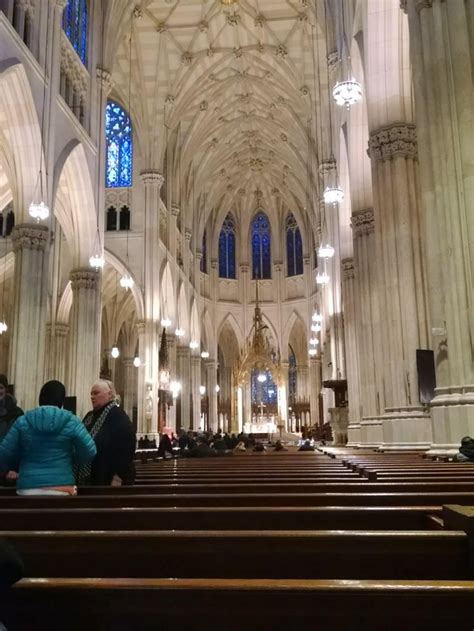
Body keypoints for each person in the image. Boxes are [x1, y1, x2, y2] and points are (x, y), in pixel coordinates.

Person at [0, 381, 96, 496]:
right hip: (62, 486)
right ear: (62, 400)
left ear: (40, 398)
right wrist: (69, 457)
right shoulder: (71, 421)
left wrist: (22, 458)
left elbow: (4, 453)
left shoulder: (23, 421)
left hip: (28, 486)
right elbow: (90, 451)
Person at [78, 380, 136, 486]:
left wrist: (118, 476)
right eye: (91, 393)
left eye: (96, 393)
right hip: (90, 478)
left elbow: (128, 447)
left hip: (108, 478)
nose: (92, 397)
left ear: (109, 394)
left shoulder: (118, 416)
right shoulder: (89, 416)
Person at [0, 375, 23, 486]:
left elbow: (23, 442)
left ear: (6, 389)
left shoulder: (17, 413)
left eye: (0, 388)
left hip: (14, 471)